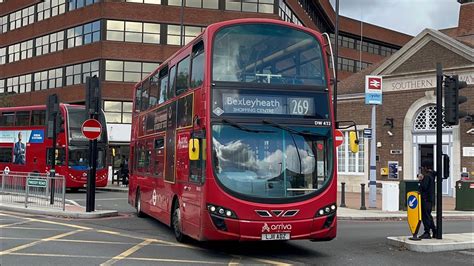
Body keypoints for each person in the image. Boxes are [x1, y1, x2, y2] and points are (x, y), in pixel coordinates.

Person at [418, 160, 437, 239]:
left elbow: (424, 187)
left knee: (425, 216)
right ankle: (435, 231)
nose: (422, 169)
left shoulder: (427, 176)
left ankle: (427, 232)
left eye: (423, 167)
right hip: (430, 199)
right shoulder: (433, 175)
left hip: (425, 199)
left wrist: (420, 180)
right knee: (429, 216)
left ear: (425, 167)